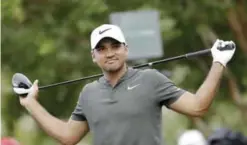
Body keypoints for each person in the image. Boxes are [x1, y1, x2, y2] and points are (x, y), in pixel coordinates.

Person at [18, 24, 236, 145]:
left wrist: (218, 62)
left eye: (115, 45)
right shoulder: (89, 93)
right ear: (93, 56)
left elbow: (198, 106)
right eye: (102, 49)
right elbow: (68, 136)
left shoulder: (151, 79)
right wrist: (31, 104)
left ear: (126, 49)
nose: (110, 52)